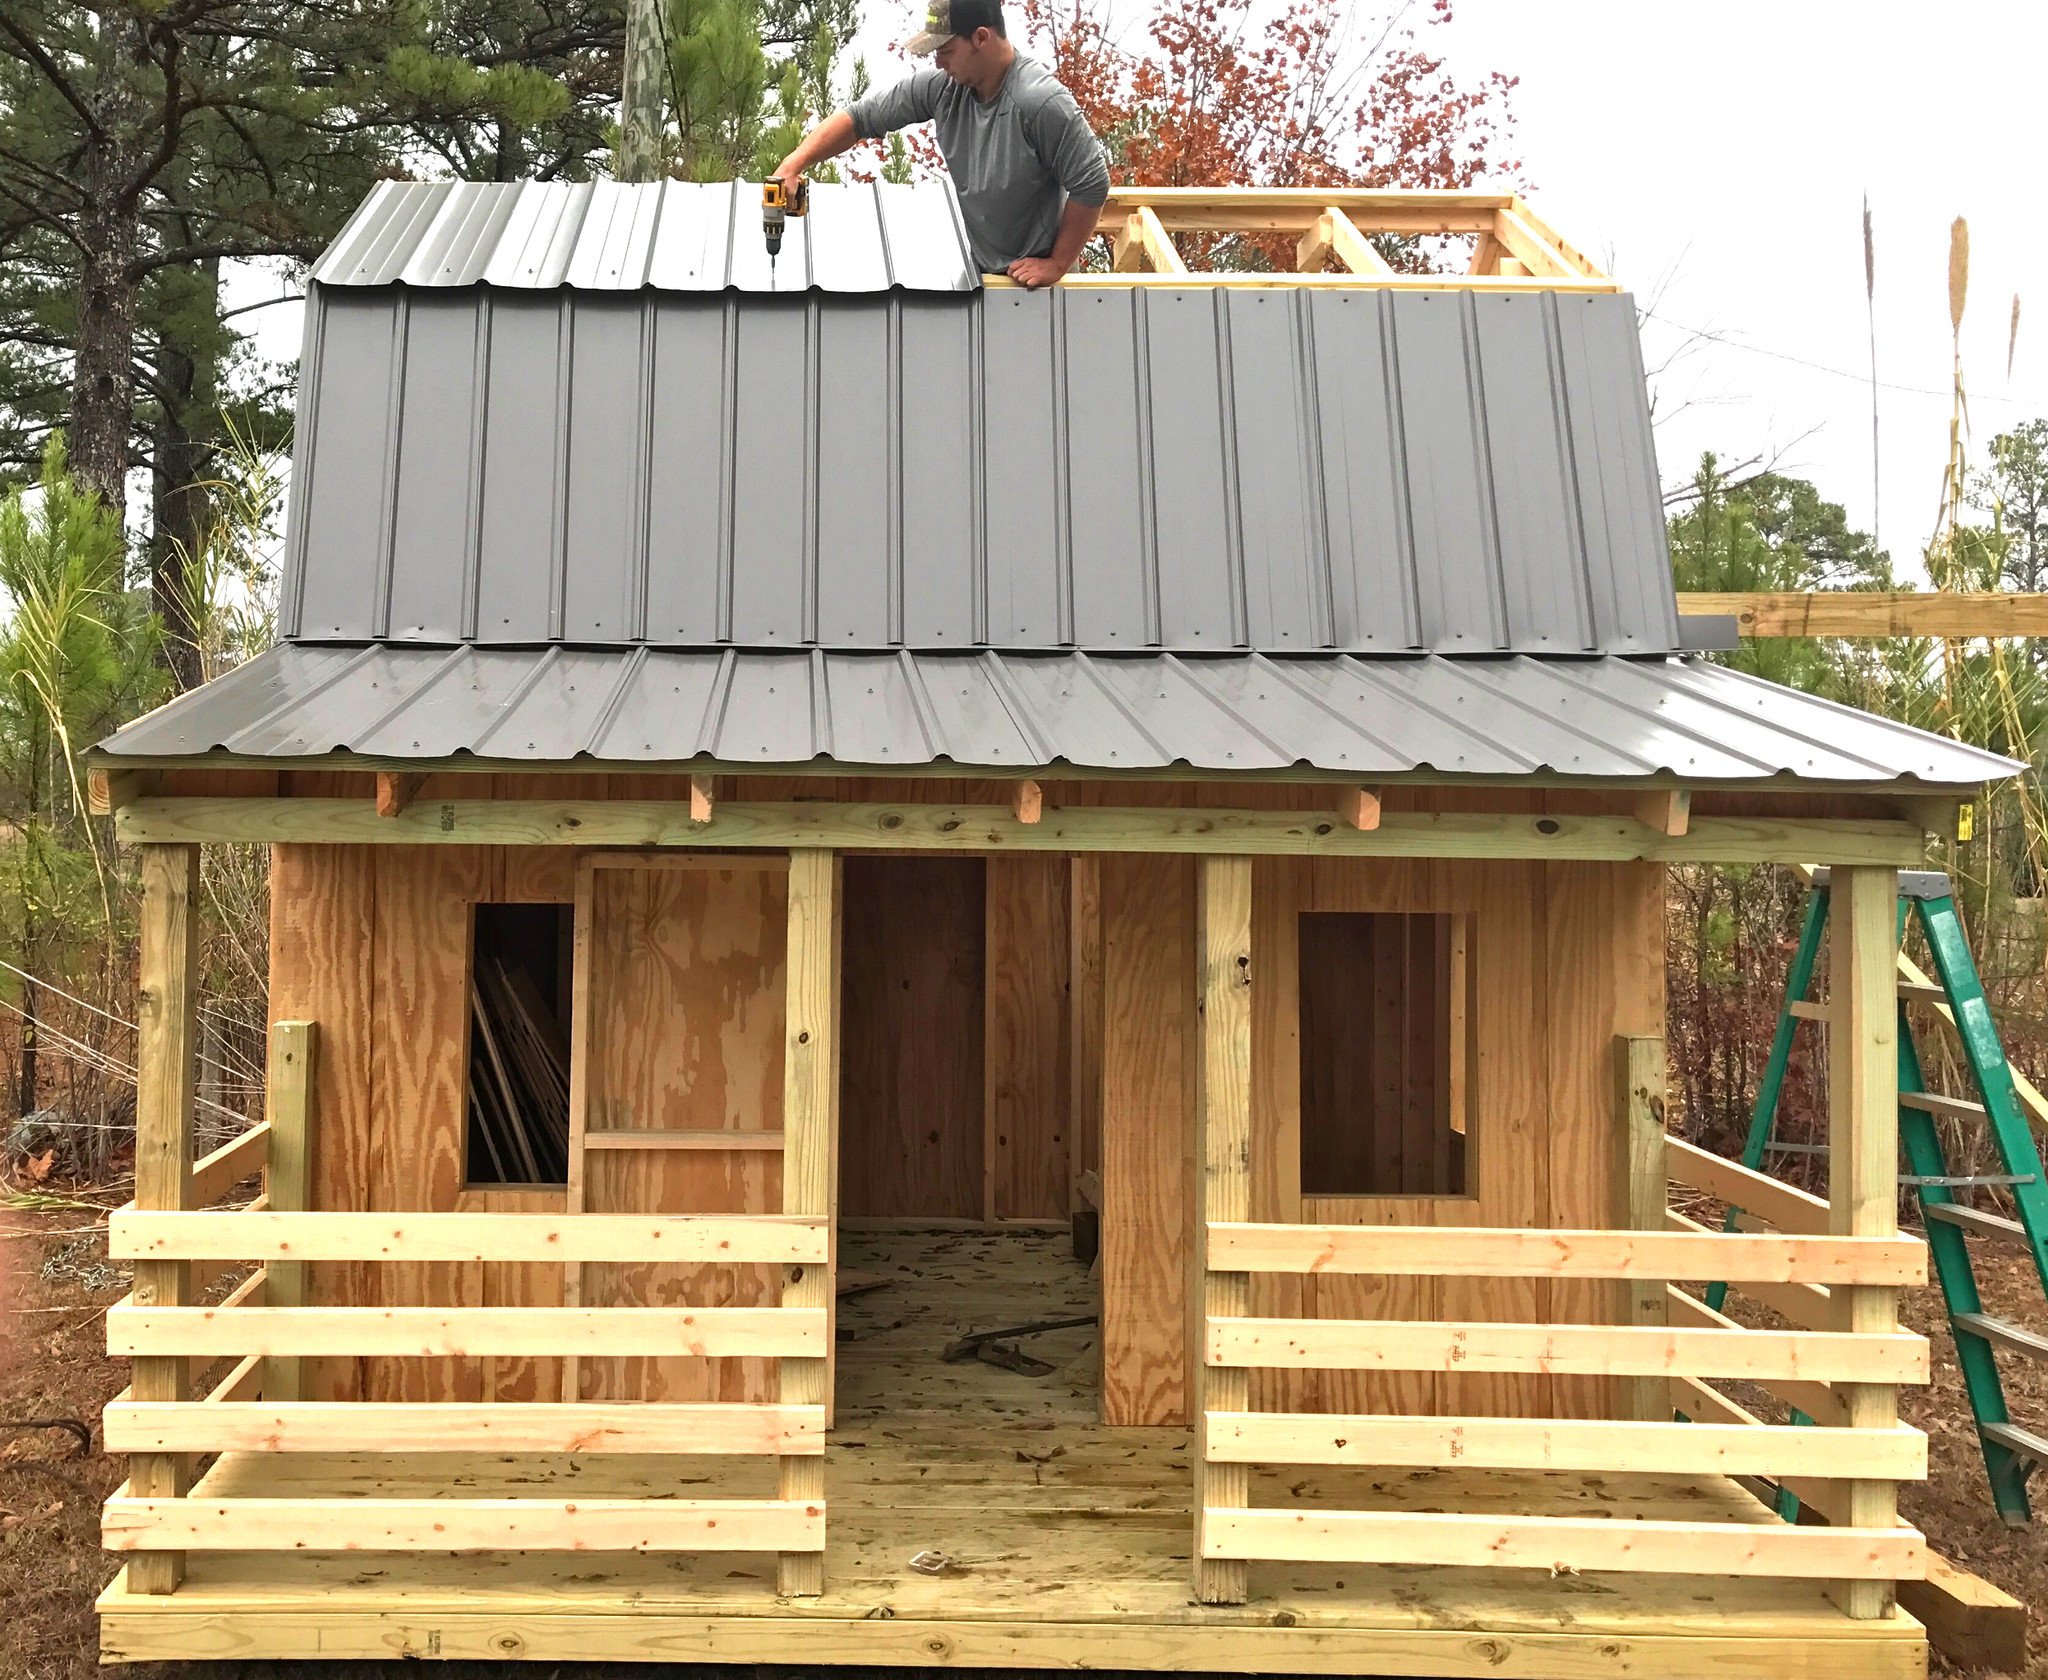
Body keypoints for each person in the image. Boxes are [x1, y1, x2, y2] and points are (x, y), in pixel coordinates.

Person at [770, 0, 1109, 288]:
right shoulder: (944, 88)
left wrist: (1057, 263)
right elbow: (860, 118)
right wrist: (793, 164)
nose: (938, 62)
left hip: (1034, 290)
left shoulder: (1039, 102)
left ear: (981, 38)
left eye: (946, 50)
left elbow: (1092, 181)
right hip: (980, 278)